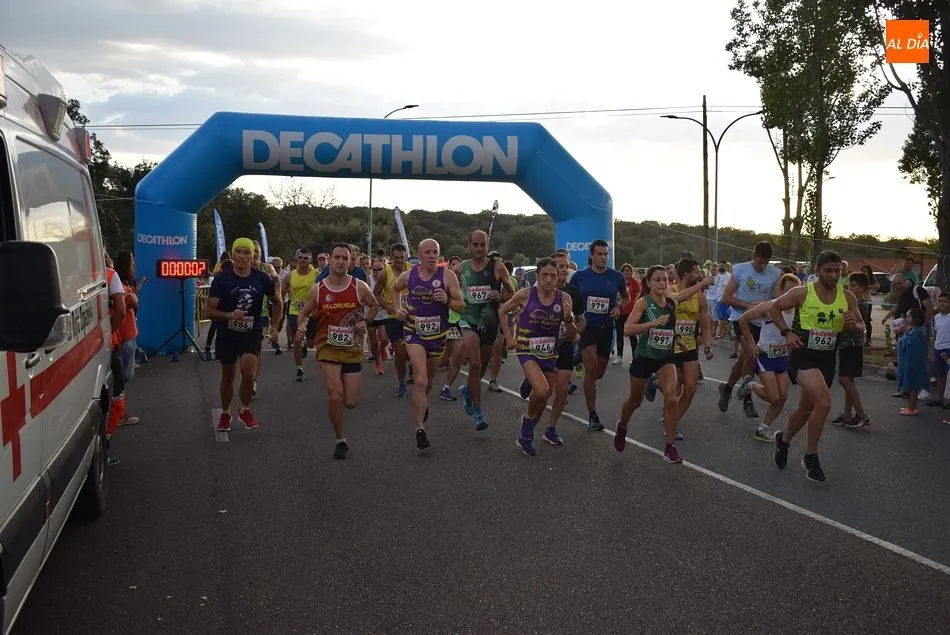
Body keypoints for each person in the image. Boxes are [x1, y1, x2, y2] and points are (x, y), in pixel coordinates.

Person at [767, 250, 864, 482]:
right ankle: (811, 457)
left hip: (827, 358)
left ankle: (784, 440)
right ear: (818, 271)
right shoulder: (802, 292)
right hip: (803, 355)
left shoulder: (847, 296)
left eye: (837, 271)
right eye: (828, 270)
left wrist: (854, 324)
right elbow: (773, 308)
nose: (833, 275)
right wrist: (787, 333)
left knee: (805, 410)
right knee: (825, 403)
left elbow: (861, 327)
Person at [295, 243, 379, 459]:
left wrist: (366, 322)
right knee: (335, 395)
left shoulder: (359, 287)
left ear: (350, 262)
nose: (341, 261)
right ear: (330, 260)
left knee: (350, 402)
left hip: (352, 349)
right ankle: (340, 439)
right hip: (327, 348)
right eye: (337, 257)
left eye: (345, 258)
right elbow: (303, 313)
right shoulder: (318, 289)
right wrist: (302, 326)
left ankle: (342, 399)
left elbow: (374, 305)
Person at [391, 239, 465, 450]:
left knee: (429, 380)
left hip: (438, 335)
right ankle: (420, 429)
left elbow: (461, 307)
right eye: (427, 252)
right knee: (420, 379)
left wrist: (447, 301)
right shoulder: (409, 275)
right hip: (413, 332)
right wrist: (397, 310)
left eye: (435, 252)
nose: (432, 255)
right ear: (419, 255)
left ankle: (423, 404)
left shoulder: (448, 276)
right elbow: (395, 290)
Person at [499, 258, 577, 455]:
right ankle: (526, 427)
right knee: (541, 391)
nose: (549, 279)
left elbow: (572, 334)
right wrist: (508, 336)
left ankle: (527, 432)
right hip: (527, 349)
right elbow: (502, 310)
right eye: (545, 275)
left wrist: (568, 319)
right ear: (538, 276)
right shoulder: (525, 294)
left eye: (553, 275)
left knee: (545, 396)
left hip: (549, 353)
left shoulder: (564, 299)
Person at [205, 238, 282, 432]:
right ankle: (225, 412)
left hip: (251, 332)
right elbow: (209, 311)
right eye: (238, 252)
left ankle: (245, 410)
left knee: (248, 371)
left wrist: (274, 327)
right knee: (228, 375)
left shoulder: (261, 278)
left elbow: (278, 302)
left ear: (252, 256)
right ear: (233, 254)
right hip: (227, 332)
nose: (242, 256)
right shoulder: (223, 279)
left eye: (246, 253)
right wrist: (228, 314)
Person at [615, 266, 685, 462]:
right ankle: (622, 426)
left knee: (671, 398)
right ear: (649, 283)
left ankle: (670, 446)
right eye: (658, 280)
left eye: (665, 279)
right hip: (644, 357)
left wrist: (677, 338)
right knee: (634, 401)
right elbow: (627, 329)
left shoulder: (672, 304)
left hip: (666, 357)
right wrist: (652, 324)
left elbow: (670, 326)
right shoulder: (643, 303)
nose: (663, 283)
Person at [456, 230, 515, 430]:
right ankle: (479, 412)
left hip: (490, 323)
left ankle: (468, 392)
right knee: (474, 363)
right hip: (468, 320)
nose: (479, 249)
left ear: (488, 246)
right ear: (469, 245)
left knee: (479, 370)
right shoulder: (460, 268)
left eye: (483, 245)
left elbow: (511, 294)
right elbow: (451, 290)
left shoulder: (498, 267)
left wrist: (500, 296)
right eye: (476, 244)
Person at [570, 240, 629, 431]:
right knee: (591, 370)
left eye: (606, 254)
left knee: (599, 374)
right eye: (600, 254)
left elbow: (626, 297)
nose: (604, 258)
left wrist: (619, 307)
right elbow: (569, 298)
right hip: (587, 327)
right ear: (592, 255)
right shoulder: (580, 277)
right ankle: (592, 414)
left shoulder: (616, 276)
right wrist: (574, 316)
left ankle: (577, 357)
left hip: (606, 327)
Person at [718, 242, 782, 418]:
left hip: (762, 323)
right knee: (751, 355)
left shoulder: (775, 274)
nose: (762, 266)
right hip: (741, 319)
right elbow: (726, 298)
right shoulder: (739, 270)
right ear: (753, 255)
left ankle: (727, 389)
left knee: (743, 360)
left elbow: (778, 298)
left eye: (765, 263)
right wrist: (749, 306)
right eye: (759, 262)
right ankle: (747, 399)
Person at [735, 273, 801, 441]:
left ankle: (763, 429)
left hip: (783, 357)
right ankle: (749, 384)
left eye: (795, 291)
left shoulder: (800, 311)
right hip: (765, 356)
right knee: (773, 396)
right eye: (788, 292)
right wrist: (751, 343)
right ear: (780, 291)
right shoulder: (769, 307)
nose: (791, 296)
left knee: (783, 397)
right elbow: (743, 320)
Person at [830, 272, 872, 428]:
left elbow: (855, 324)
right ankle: (847, 414)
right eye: (849, 284)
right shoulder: (851, 301)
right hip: (845, 344)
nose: (849, 288)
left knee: (844, 379)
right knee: (848, 380)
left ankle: (862, 414)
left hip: (852, 344)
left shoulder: (860, 304)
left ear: (862, 288)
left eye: (853, 285)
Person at [374, 243, 414, 397]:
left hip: (412, 316)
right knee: (400, 352)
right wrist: (388, 307)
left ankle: (412, 368)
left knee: (413, 350)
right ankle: (402, 383)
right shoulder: (385, 273)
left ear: (405, 257)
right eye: (396, 257)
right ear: (391, 258)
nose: (399, 260)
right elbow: (376, 294)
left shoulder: (413, 269)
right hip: (393, 317)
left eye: (401, 257)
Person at [283, 248, 318, 382]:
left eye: (305, 258)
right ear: (296, 259)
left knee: (311, 343)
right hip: (295, 311)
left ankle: (305, 345)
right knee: (296, 339)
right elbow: (282, 291)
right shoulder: (290, 275)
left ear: (310, 260)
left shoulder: (316, 274)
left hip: (312, 312)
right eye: (300, 258)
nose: (302, 260)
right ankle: (299, 368)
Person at [897, 307, 930, 416]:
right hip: (907, 359)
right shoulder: (911, 329)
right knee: (909, 383)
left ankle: (912, 407)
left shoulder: (918, 332)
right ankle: (910, 406)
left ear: (916, 318)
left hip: (913, 361)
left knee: (912, 384)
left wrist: (903, 335)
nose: (907, 318)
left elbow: (911, 345)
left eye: (909, 316)